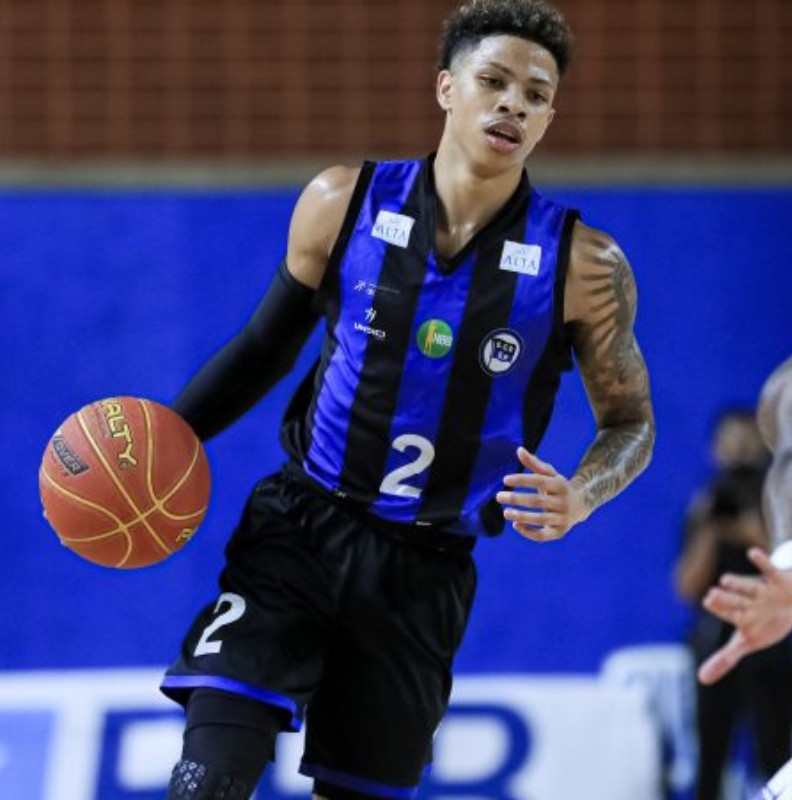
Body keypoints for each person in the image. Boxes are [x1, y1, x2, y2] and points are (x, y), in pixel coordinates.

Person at [159, 1, 656, 798]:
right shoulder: (343, 200)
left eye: (535, 95)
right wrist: (166, 438)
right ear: (446, 88)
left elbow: (630, 421)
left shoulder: (584, 265)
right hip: (299, 527)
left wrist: (583, 495)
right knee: (207, 779)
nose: (513, 104)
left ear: (548, 119)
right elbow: (263, 349)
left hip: (423, 572)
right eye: (493, 82)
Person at [675, 408, 792, 800]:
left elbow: (782, 566)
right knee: (710, 753)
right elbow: (686, 585)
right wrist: (710, 529)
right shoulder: (706, 506)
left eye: (747, 439)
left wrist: (750, 531)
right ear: (714, 448)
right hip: (716, 639)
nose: (740, 449)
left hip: (772, 645)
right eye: (730, 440)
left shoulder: (780, 507)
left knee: (775, 749)